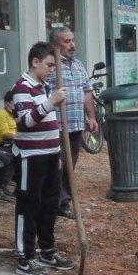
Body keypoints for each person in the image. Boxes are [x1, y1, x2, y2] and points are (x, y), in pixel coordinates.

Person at [10, 42, 72, 275]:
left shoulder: (46, 87)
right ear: (35, 62)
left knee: (49, 203)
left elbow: (51, 125)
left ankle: (47, 250)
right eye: (49, 65)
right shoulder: (22, 88)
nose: (51, 70)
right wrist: (50, 103)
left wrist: (56, 153)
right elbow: (25, 121)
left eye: (54, 67)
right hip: (30, 157)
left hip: (49, 155)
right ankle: (25, 256)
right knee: (29, 204)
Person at [49, 27, 98, 218]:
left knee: (71, 165)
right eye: (67, 41)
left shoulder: (77, 65)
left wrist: (91, 117)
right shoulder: (51, 66)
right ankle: (56, 202)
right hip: (57, 125)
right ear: (55, 45)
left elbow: (87, 92)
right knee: (58, 164)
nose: (72, 45)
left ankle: (64, 200)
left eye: (73, 40)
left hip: (76, 124)